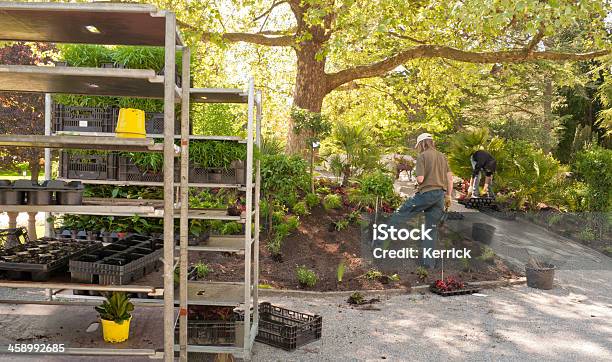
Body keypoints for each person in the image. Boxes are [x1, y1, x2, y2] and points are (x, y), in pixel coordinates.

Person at [387, 133, 453, 268]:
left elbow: (420, 179)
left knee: (400, 213)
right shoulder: (442, 156)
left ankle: (379, 243)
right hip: (440, 196)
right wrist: (448, 196)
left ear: (422, 144)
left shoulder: (422, 156)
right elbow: (450, 178)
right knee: (431, 230)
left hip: (426, 194)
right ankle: (429, 264)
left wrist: (418, 179)